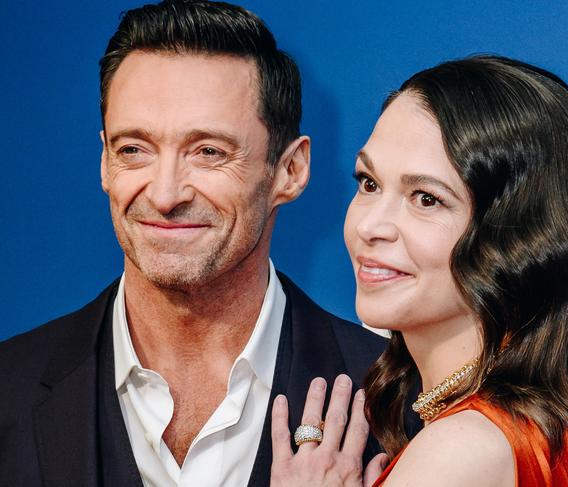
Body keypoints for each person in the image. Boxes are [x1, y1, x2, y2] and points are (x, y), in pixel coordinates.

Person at [0, 1, 393, 485]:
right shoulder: (8, 389)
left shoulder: (395, 395)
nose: (165, 194)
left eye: (208, 152)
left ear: (290, 171)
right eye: (134, 150)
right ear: (104, 162)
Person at [269, 56, 568, 487]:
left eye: (426, 198)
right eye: (369, 183)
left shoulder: (461, 451)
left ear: (520, 235)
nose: (369, 226)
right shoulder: (528, 427)